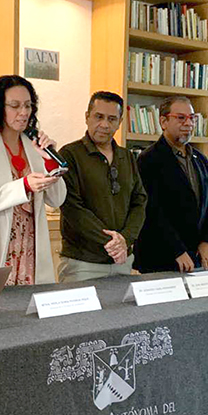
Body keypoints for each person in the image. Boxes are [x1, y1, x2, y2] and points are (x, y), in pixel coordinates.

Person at [0, 75, 66, 285]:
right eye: (15, 106)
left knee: (28, 304)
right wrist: (24, 186)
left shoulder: (34, 146)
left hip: (30, 250)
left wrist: (50, 160)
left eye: (28, 105)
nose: (23, 112)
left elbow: (57, 199)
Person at [57, 91, 147, 282]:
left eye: (112, 119)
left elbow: (139, 202)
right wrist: (113, 242)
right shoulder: (69, 155)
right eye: (99, 117)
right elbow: (72, 208)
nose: (105, 124)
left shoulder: (127, 157)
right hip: (82, 263)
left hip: (123, 260)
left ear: (119, 122)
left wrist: (125, 239)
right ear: (87, 117)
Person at [134, 96, 208, 273]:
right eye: (181, 118)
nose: (188, 123)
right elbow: (151, 211)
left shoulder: (200, 159)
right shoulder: (148, 159)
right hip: (160, 257)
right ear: (163, 122)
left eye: (192, 118)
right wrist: (177, 250)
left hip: (195, 257)